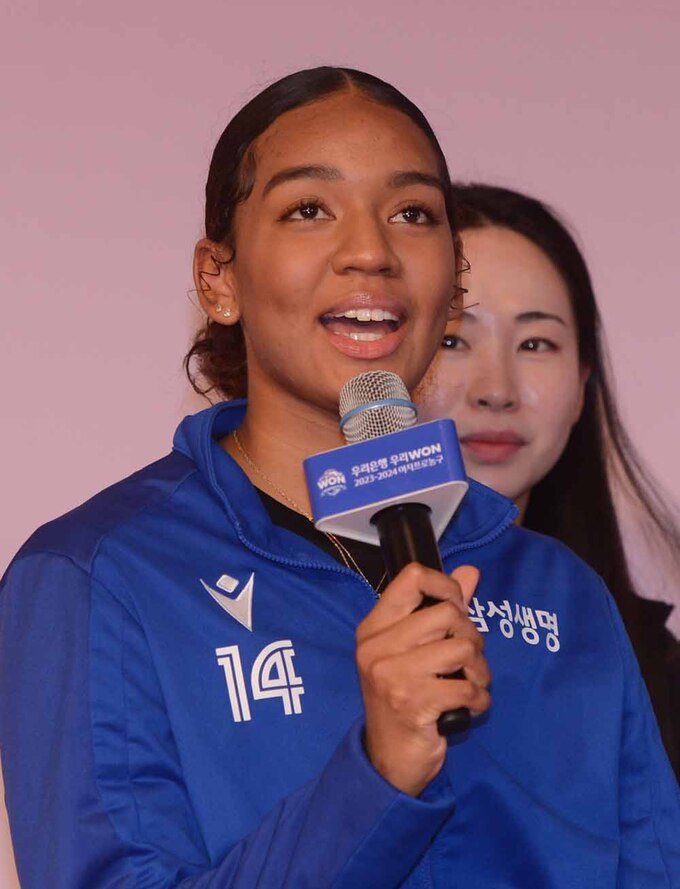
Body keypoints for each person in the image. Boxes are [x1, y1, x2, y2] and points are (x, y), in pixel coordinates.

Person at [1, 68, 679, 889]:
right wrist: (377, 777)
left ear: (454, 282)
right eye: (309, 209)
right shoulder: (98, 575)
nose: (370, 253)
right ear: (219, 279)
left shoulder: (562, 593)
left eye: (412, 214)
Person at [414, 183, 680, 779]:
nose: (497, 390)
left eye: (536, 343)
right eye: (453, 339)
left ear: (583, 382)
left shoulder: (651, 666)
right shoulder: (316, 627)